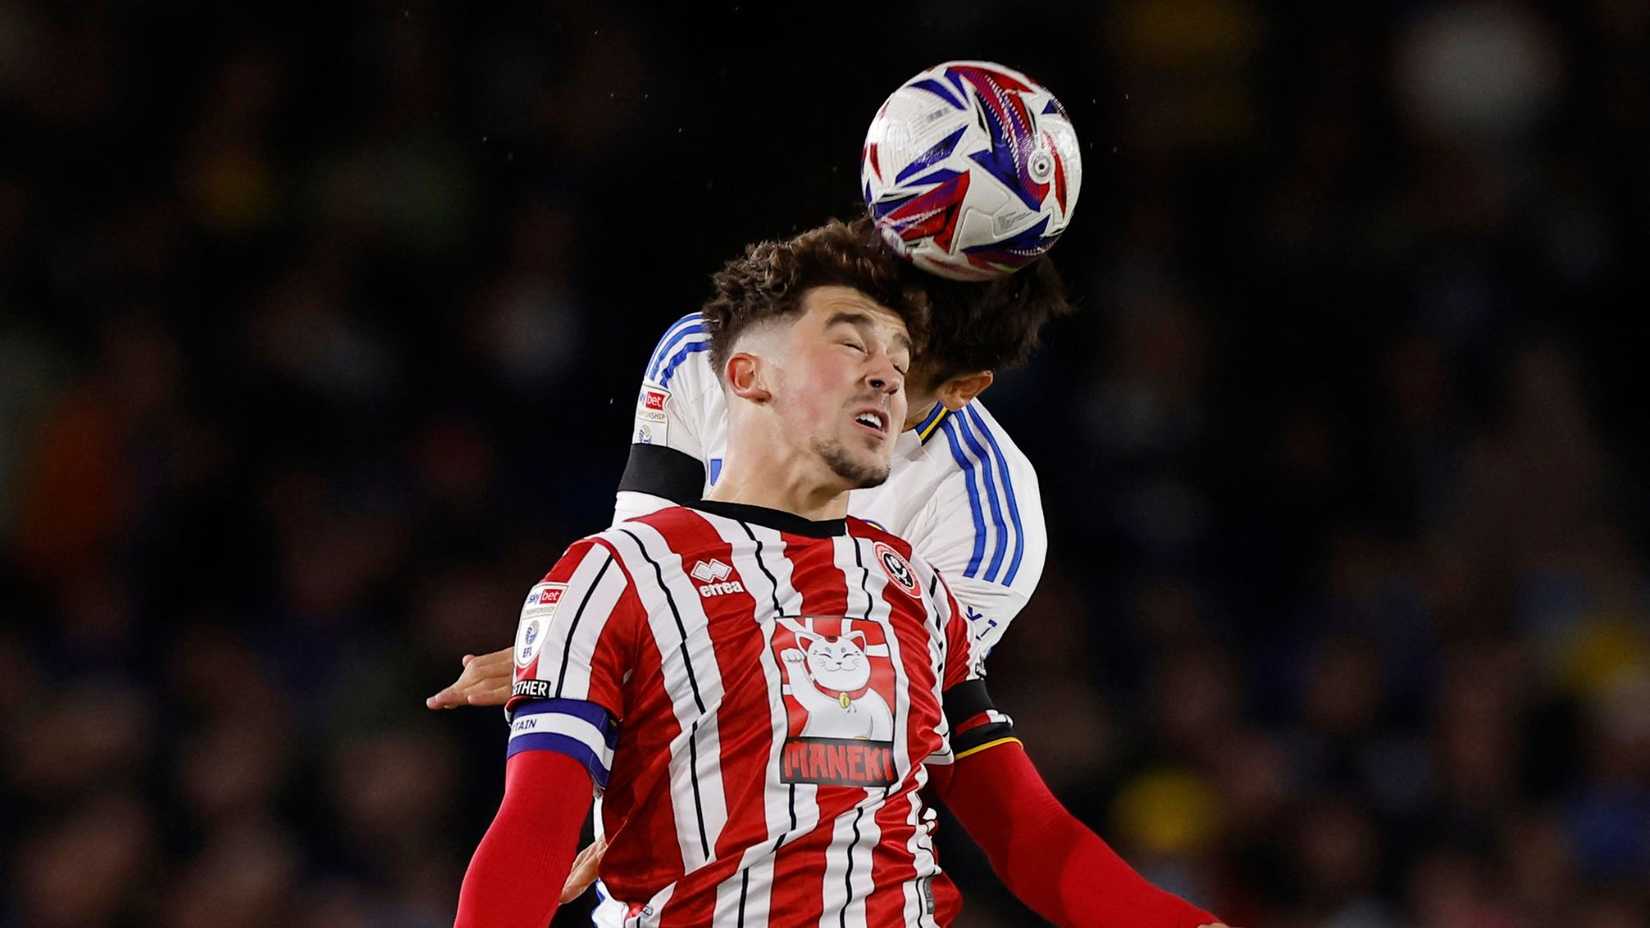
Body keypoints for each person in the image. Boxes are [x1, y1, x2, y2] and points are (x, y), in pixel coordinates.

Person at [453, 220, 1226, 927]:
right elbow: (530, 831)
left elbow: (1029, 834)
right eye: (855, 345)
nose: (887, 375)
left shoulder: (921, 588)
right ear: (749, 376)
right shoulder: (609, 575)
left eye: (900, 356)